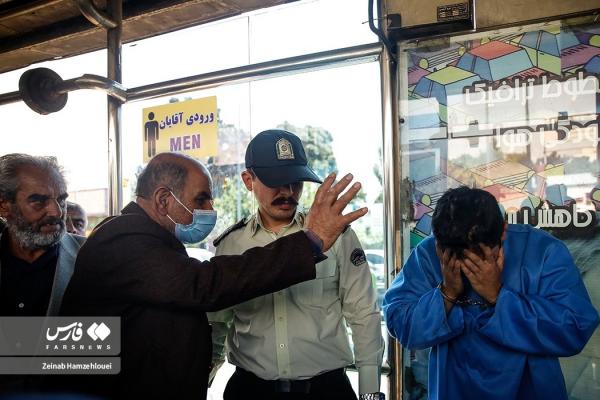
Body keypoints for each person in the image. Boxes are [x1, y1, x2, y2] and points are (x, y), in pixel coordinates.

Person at [59, 152, 367, 399]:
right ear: (164, 200)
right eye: (201, 199)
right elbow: (205, 286)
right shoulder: (123, 237)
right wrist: (311, 242)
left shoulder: (153, 239)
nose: (210, 209)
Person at [208, 129, 384, 400]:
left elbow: (363, 314)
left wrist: (370, 392)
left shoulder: (335, 236)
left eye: (296, 182)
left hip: (326, 391)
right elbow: (217, 324)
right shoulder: (231, 245)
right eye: (276, 182)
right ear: (248, 180)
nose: (288, 192)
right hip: (251, 391)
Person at [383, 186, 600, 400]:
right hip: (454, 388)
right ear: (439, 244)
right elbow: (403, 326)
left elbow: (575, 329)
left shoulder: (544, 251)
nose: (470, 266)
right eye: (458, 257)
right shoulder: (429, 253)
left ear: (504, 230)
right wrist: (447, 293)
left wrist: (497, 294)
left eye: (480, 255)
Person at [0, 153, 85, 393]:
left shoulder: (92, 258)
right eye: (39, 201)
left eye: (61, 200)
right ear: (4, 205)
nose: (56, 212)